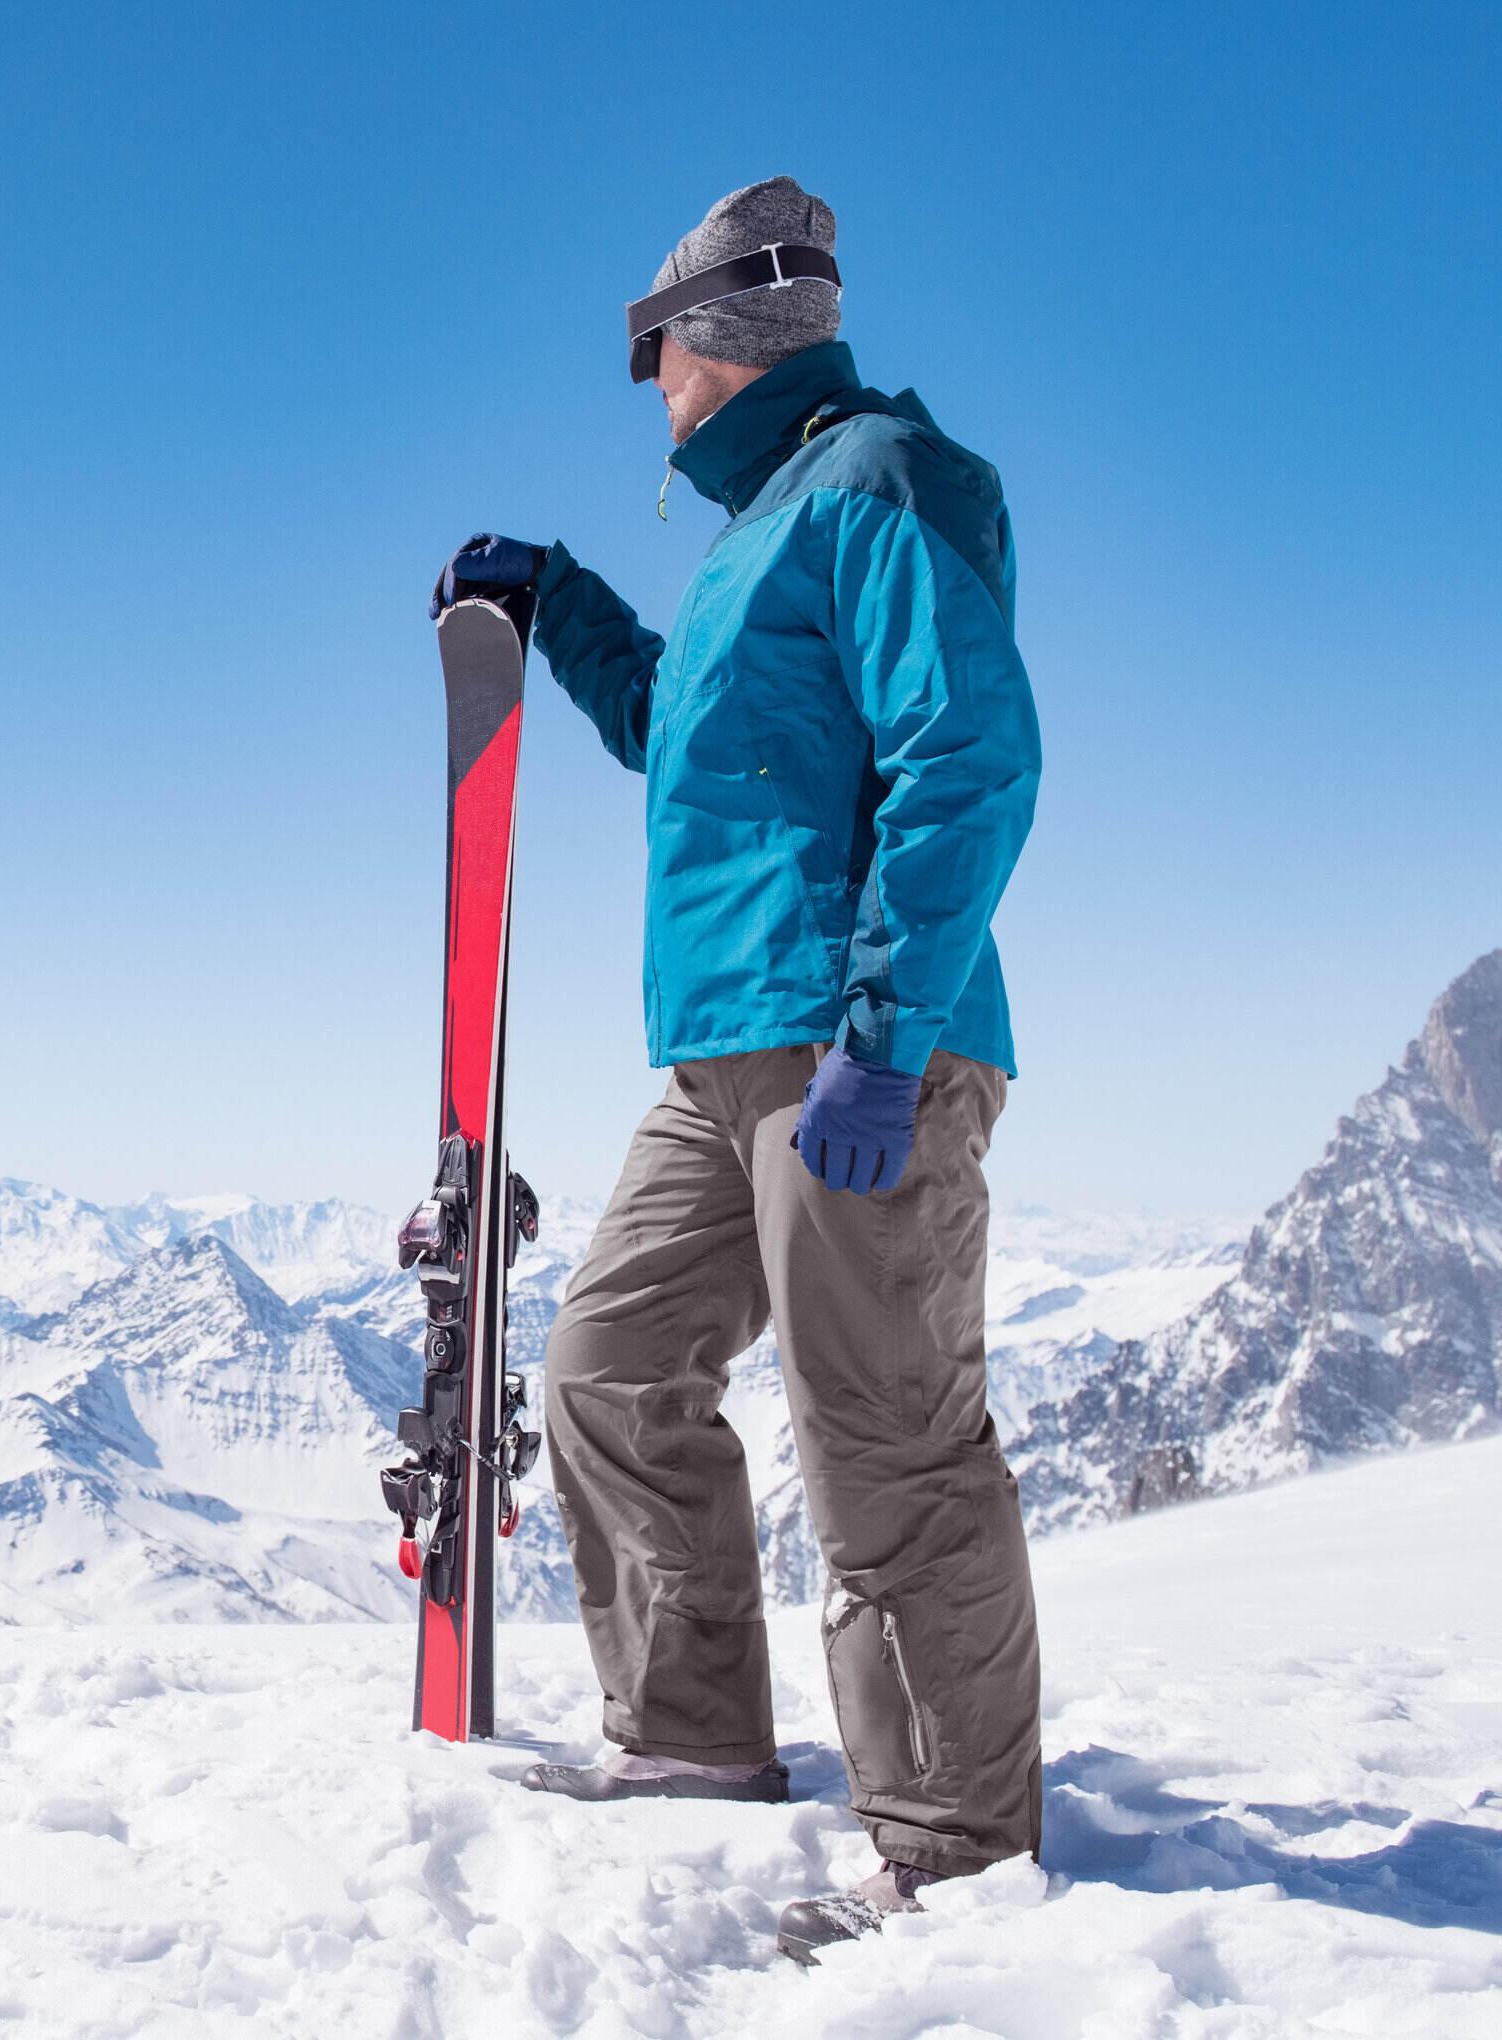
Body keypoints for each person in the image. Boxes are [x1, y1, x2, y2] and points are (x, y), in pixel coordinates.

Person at [444, 176, 1044, 1963]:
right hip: (717, 1054)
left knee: (888, 1441)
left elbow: (968, 763)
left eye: (654, 347)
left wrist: (884, 1038)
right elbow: (689, 751)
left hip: (851, 1047)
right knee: (609, 1372)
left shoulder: (876, 484)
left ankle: (952, 1846)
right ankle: (696, 1736)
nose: (648, 384)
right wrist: (560, 606)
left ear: (728, 333)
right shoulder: (757, 532)